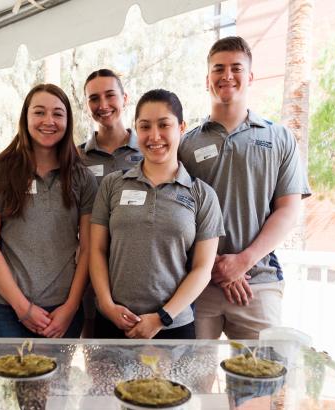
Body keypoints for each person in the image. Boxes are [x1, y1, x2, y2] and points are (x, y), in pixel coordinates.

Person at [178, 36, 312, 341]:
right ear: (207, 79)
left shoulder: (279, 138)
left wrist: (242, 262)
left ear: (250, 77)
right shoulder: (186, 144)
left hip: (258, 284)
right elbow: (177, 213)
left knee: (258, 385)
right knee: (192, 383)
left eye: (236, 68)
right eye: (218, 69)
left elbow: (288, 210)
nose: (227, 75)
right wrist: (214, 267)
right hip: (198, 285)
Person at [90, 89, 224, 340]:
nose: (154, 136)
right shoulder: (112, 185)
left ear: (181, 127)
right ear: (136, 129)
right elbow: (96, 250)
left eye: (164, 125)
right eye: (145, 126)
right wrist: (108, 306)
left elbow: (202, 269)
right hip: (113, 322)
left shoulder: (202, 195)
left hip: (173, 327)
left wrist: (162, 317)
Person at [0, 83, 97, 339]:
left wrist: (72, 307)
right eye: (39, 112)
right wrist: (22, 308)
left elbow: (88, 247)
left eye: (58, 114)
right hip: (5, 308)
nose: (48, 121)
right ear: (26, 118)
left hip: (62, 310)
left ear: (68, 121)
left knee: (56, 380)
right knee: (8, 381)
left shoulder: (82, 177)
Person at [79, 68, 143, 337]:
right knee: (99, 361)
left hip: (138, 269)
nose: (103, 105)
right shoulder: (76, 157)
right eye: (94, 99)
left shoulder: (150, 151)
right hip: (92, 273)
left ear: (125, 98)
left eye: (110, 96)